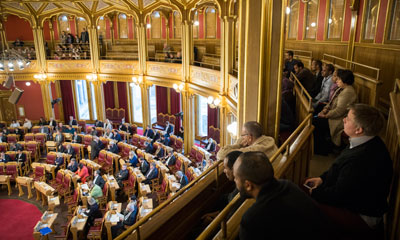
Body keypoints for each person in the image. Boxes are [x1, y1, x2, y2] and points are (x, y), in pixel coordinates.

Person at [305, 104, 393, 238]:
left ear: (359, 129)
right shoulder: (364, 140)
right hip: (352, 200)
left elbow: (339, 196)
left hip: (361, 216)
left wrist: (316, 193)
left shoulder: (362, 160)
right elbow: (339, 166)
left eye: (348, 118)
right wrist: (322, 179)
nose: (344, 119)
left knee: (305, 207)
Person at [233, 151, 330, 240]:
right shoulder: (287, 185)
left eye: (235, 178)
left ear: (248, 185)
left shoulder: (251, 219)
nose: (234, 181)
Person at [313, 69, 358, 155]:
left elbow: (339, 111)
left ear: (345, 80)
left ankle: (322, 149)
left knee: (315, 122)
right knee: (318, 110)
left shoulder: (348, 92)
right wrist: (325, 109)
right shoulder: (341, 88)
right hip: (334, 114)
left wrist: (325, 115)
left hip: (340, 119)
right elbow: (331, 102)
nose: (336, 80)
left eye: (339, 79)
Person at [202, 151, 244, 223]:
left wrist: (211, 221)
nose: (224, 171)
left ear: (234, 169)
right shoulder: (239, 185)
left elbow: (229, 220)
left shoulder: (240, 190)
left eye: (225, 168)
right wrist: (217, 213)